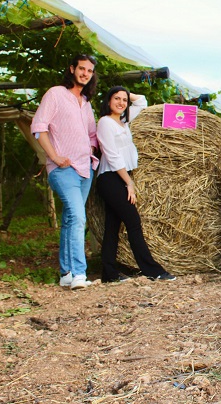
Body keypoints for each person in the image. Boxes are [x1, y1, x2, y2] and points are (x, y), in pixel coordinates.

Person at [31, 54, 100, 290]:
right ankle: (80, 273)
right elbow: (38, 128)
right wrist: (54, 156)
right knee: (78, 217)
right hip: (63, 168)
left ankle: (66, 273)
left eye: (89, 71)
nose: (85, 73)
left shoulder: (86, 103)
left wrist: (91, 151)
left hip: (85, 168)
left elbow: (92, 135)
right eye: (81, 69)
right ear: (72, 69)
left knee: (71, 219)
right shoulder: (55, 94)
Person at [96, 86, 176, 283]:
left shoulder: (123, 121)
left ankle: (109, 273)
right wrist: (129, 182)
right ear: (108, 100)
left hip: (119, 177)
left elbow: (141, 102)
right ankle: (152, 270)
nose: (121, 102)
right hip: (110, 177)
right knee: (133, 221)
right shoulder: (105, 122)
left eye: (124, 100)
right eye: (116, 98)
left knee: (112, 226)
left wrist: (125, 91)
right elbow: (112, 156)